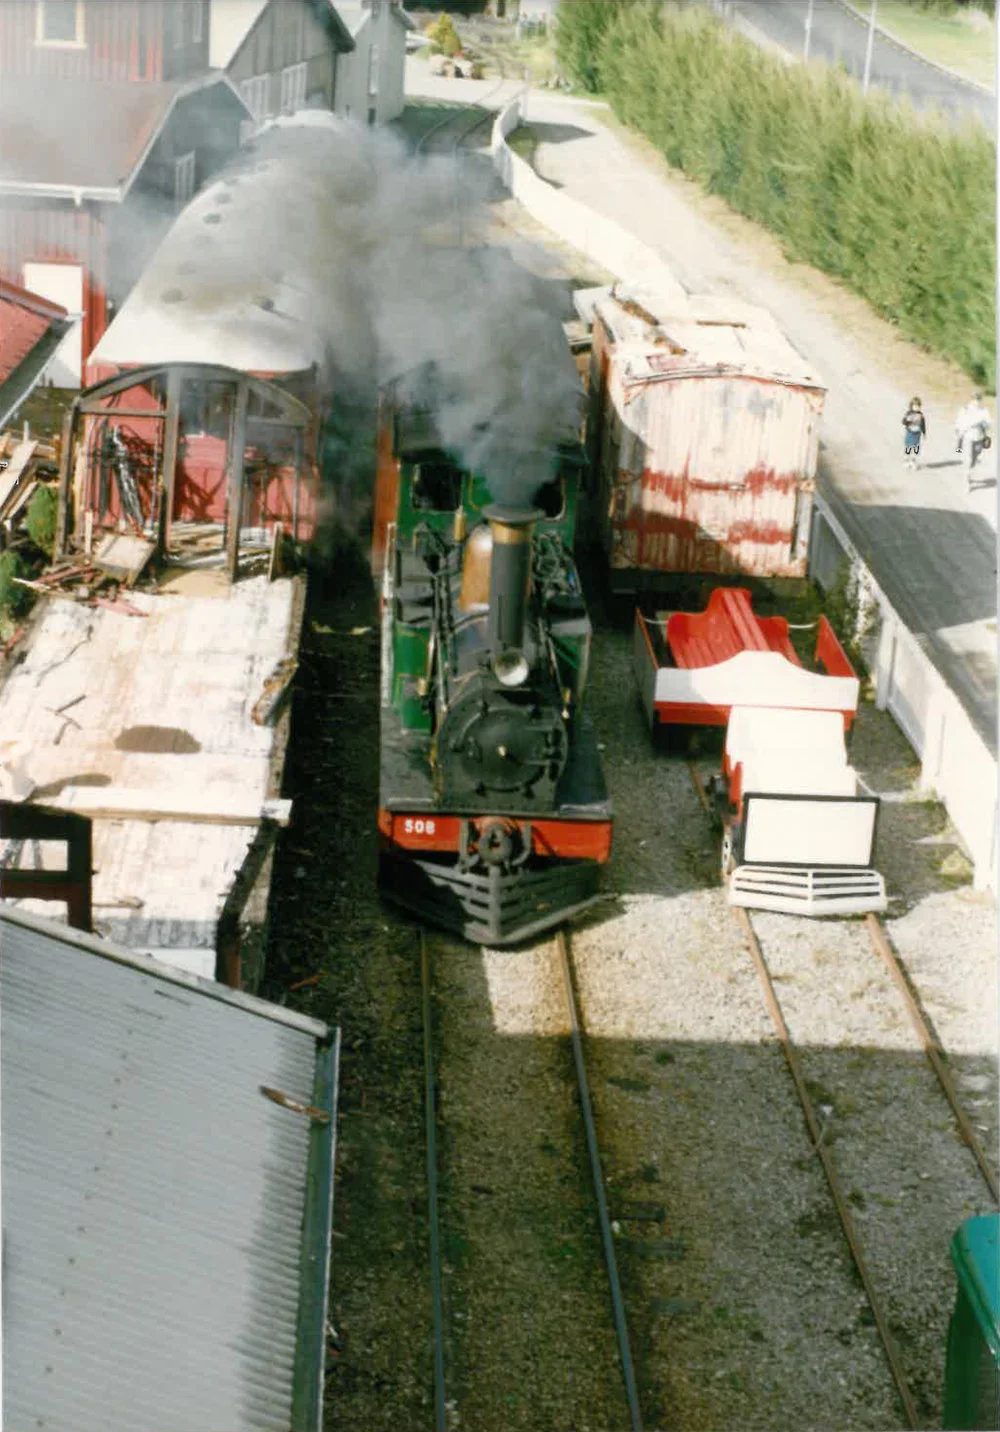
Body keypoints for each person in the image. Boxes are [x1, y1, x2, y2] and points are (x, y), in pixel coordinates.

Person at [954, 393, 993, 485]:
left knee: (975, 456)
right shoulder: (965, 409)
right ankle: (966, 477)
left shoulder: (984, 410)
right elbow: (959, 421)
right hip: (968, 436)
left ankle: (969, 469)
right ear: (971, 400)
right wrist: (959, 431)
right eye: (974, 399)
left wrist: (983, 424)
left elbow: (989, 423)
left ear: (980, 400)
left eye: (978, 400)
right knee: (968, 457)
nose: (976, 402)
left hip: (979, 436)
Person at [901, 396, 926, 471]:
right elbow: (903, 422)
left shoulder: (921, 415)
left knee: (916, 448)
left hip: (917, 433)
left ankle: (913, 461)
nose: (916, 408)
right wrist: (907, 420)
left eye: (918, 406)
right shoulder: (909, 413)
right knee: (908, 446)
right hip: (910, 432)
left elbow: (923, 424)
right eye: (915, 406)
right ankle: (907, 460)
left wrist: (924, 432)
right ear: (911, 406)